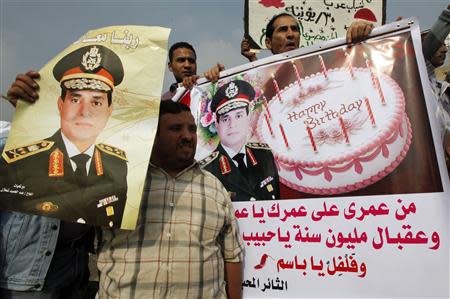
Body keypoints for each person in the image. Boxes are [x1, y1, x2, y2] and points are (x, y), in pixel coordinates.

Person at [96, 100, 244, 298]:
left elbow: (232, 255)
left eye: (192, 129)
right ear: (153, 135)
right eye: (175, 128)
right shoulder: (121, 183)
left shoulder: (215, 188)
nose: (187, 136)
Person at [1, 45, 128, 228]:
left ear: (109, 111)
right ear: (61, 105)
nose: (85, 112)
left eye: (96, 102)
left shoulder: (117, 164)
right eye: (75, 100)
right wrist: (24, 117)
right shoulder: (24, 159)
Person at [200, 80, 280, 201]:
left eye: (238, 116)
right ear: (216, 124)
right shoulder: (207, 170)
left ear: (248, 117)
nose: (232, 125)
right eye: (225, 119)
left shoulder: (264, 154)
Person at [241, 12, 373, 60]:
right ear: (268, 43)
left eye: (294, 29)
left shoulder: (320, 65)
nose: (290, 34)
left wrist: (365, 32)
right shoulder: (269, 81)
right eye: (283, 30)